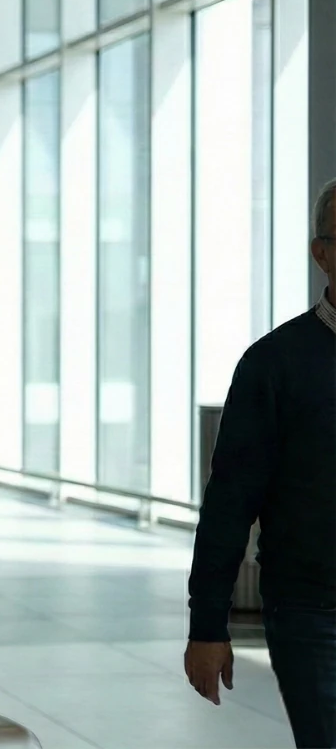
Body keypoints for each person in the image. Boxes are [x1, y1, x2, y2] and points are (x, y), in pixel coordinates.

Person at [185, 181, 336, 748]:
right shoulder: (274, 364)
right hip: (314, 613)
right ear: (321, 252)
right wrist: (208, 625)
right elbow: (229, 502)